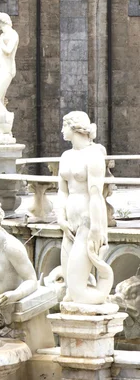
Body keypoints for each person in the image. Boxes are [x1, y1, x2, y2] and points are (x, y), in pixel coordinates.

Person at [58, 111, 113, 304]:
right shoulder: (65, 156)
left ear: (74, 128)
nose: (61, 130)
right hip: (69, 225)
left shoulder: (94, 156)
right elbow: (62, 192)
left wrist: (97, 229)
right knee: (68, 288)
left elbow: (96, 194)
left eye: (64, 125)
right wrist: (61, 219)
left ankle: (99, 302)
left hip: (87, 223)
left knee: (76, 292)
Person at [0, 13, 19, 139]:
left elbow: (9, 51)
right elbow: (0, 56)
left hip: (7, 70)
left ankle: (7, 120)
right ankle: (1, 129)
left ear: (1, 22)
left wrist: (0, 43)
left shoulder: (13, 34)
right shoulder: (2, 35)